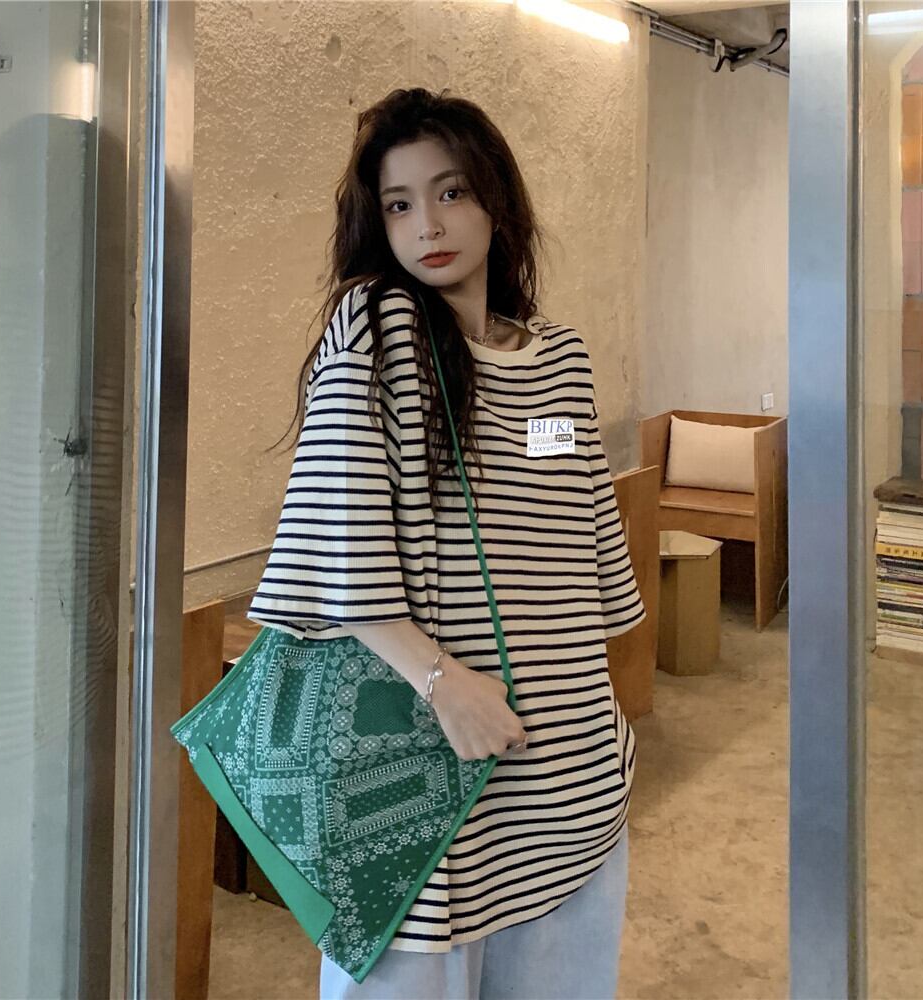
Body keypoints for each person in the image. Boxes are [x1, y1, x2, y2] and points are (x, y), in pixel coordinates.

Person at [246, 87, 648, 1000]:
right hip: (427, 766)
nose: (427, 223)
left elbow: (587, 533)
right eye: (398, 204)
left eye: (451, 191)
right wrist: (444, 684)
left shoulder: (561, 358)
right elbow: (337, 534)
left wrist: (606, 715)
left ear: (497, 202)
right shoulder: (377, 329)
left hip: (568, 767)